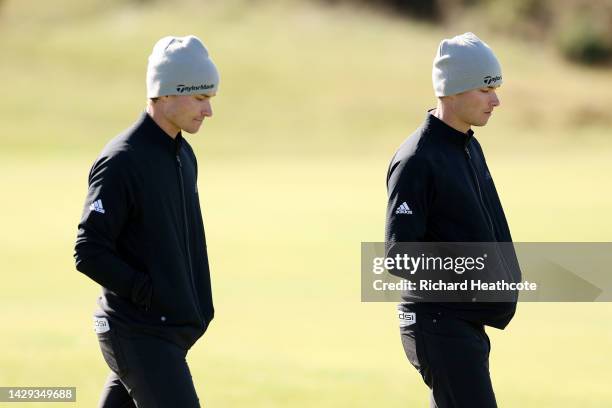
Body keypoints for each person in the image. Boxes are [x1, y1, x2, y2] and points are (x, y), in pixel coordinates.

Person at [74, 35, 219, 407]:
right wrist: (148, 293)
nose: (208, 111)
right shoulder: (123, 159)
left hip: (166, 330)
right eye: (201, 98)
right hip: (139, 331)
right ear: (166, 93)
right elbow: (89, 250)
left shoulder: (182, 154)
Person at [385, 32, 520, 407]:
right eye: (485, 89)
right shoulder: (417, 159)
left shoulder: (467, 145)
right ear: (453, 90)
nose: (496, 100)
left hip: (463, 321)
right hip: (437, 324)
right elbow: (400, 255)